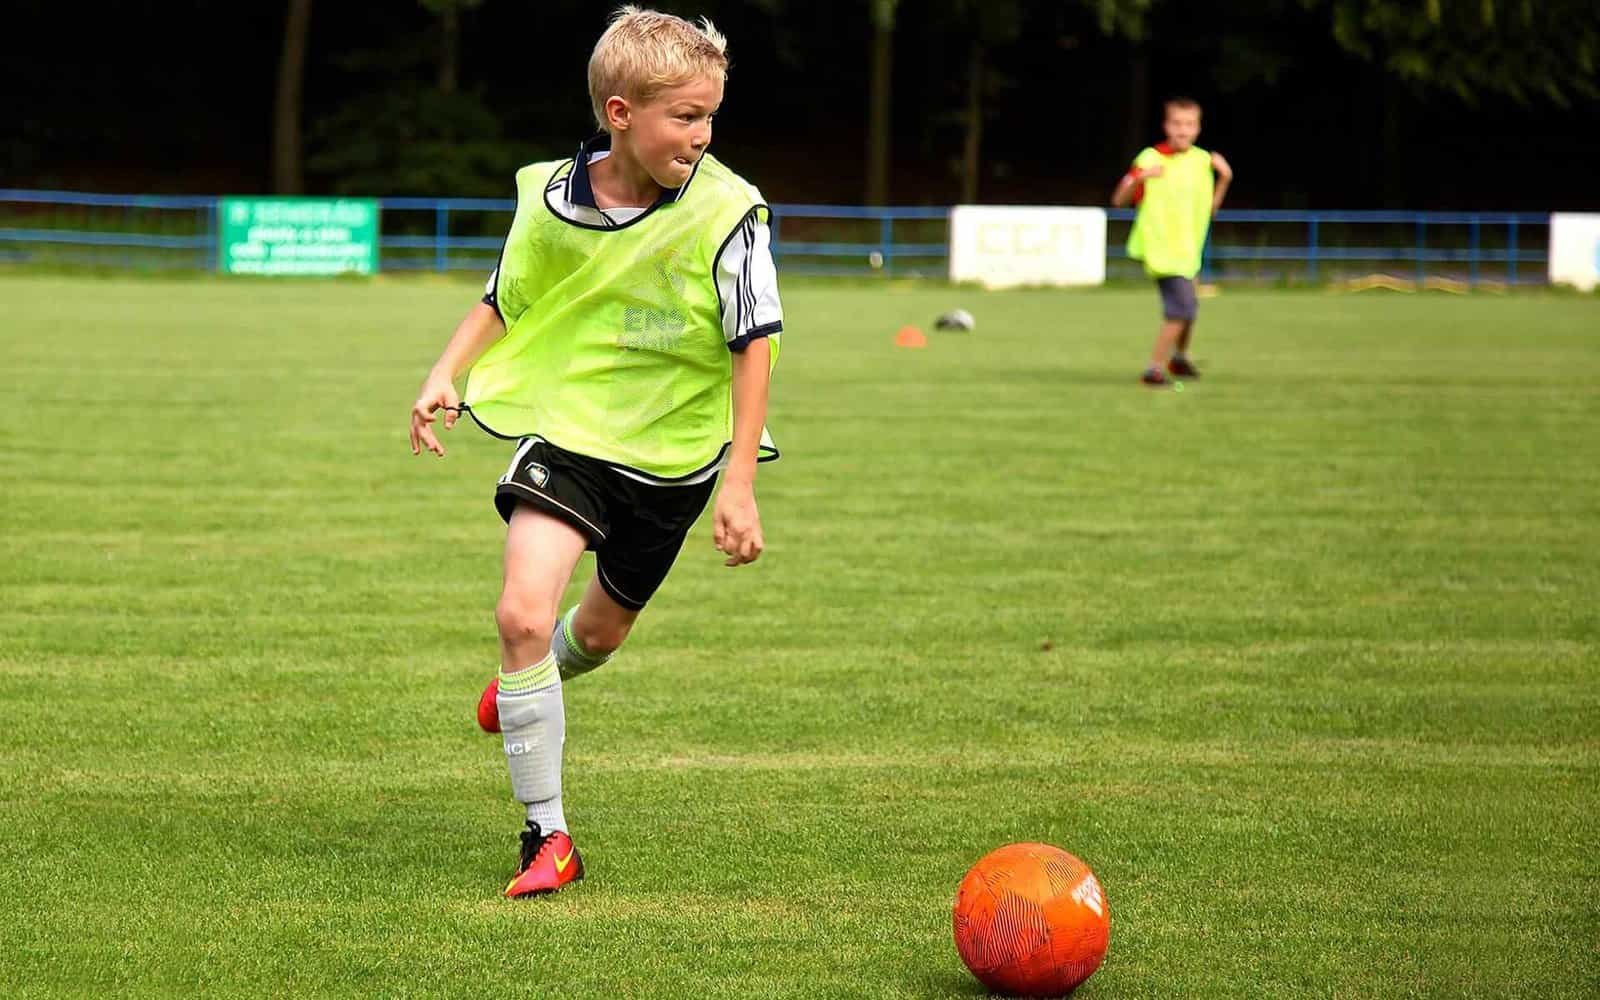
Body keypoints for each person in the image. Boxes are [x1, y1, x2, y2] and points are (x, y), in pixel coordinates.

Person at [407, 6, 783, 898]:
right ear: (620, 113)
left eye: (710, 117)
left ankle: (530, 683)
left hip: (679, 457)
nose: (702, 135)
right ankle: (549, 836)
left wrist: (738, 484)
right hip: (570, 432)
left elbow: (754, 343)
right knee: (520, 615)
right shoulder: (549, 198)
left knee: (598, 636)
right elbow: (506, 297)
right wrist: (445, 371)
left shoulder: (730, 212)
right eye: (684, 117)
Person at [1111, 97, 1233, 386]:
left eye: (1189, 124)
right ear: (1167, 126)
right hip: (1162, 250)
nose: (1183, 130)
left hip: (1188, 251)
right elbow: (1119, 201)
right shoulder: (1150, 158)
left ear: (1198, 128)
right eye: (1177, 123)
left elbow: (1209, 210)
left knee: (1190, 309)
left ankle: (1179, 359)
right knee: (1181, 310)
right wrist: (1139, 179)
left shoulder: (1202, 161)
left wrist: (1225, 178)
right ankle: (1153, 369)